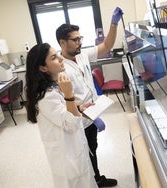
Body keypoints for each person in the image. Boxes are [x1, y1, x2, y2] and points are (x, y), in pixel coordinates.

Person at [56, 7, 124, 187]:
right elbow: (64, 100)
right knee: (84, 153)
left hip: (92, 115)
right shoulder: (60, 68)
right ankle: (93, 181)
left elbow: (107, 46)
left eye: (80, 38)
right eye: (75, 39)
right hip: (78, 120)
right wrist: (88, 114)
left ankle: (96, 178)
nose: (79, 42)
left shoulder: (83, 55)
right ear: (63, 43)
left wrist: (114, 23)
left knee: (92, 149)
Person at [25, 43, 98, 188]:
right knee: (74, 182)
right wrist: (69, 95)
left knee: (85, 179)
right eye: (54, 57)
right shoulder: (46, 97)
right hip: (66, 156)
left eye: (58, 54)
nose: (60, 58)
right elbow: (70, 123)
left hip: (75, 147)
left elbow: (65, 112)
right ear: (43, 67)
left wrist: (79, 108)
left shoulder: (55, 86)